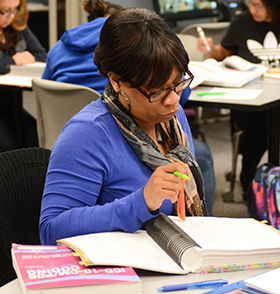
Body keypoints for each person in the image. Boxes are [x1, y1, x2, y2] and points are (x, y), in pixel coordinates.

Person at [39, 7, 208, 245]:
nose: (173, 99)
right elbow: (51, 229)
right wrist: (141, 201)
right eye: (157, 91)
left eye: (179, 83)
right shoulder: (88, 133)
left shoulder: (172, 119)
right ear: (117, 81)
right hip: (119, 270)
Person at [197, 0, 280, 199]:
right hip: (252, 95)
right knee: (263, 120)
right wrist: (209, 49)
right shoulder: (243, 21)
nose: (253, 10)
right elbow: (222, 52)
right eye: (250, 4)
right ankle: (250, 179)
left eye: (259, 5)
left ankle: (253, 177)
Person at [42, 0, 122, 94]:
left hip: (61, 108)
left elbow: (44, 87)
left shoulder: (57, 47)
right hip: (104, 107)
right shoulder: (120, 42)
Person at [0, 0, 47, 152]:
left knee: (34, 138)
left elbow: (41, 55)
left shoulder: (18, 27)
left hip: (10, 102)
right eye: (5, 11)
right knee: (9, 147)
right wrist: (13, 60)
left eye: (15, 10)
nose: (11, 17)